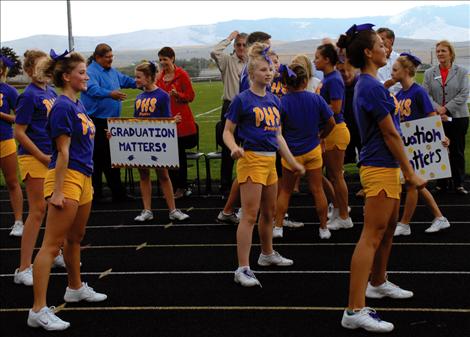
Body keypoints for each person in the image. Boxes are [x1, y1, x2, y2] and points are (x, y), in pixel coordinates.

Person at [336, 24, 426, 333]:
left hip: (385, 167)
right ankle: (354, 309)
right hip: (379, 167)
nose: (386, 48)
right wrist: (411, 173)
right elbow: (390, 133)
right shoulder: (372, 87)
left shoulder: (371, 83)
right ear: (368, 52)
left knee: (387, 230)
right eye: (380, 44)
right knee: (371, 236)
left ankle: (378, 282)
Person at [28, 49, 107, 331]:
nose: (86, 77)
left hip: (83, 177)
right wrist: (58, 191)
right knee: (51, 245)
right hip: (67, 178)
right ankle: (37, 309)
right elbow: (62, 152)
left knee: (76, 238)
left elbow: (81, 139)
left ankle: (75, 288)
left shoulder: (78, 103)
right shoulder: (62, 106)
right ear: (66, 76)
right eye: (82, 73)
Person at [223, 43, 305, 287]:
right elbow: (228, 131)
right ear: (251, 73)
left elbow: (278, 136)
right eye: (262, 69)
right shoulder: (242, 100)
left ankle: (267, 254)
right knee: (249, 215)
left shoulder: (274, 100)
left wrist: (292, 162)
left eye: (270, 69)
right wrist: (233, 147)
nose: (268, 73)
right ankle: (242, 268)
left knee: (270, 213)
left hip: (270, 162)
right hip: (251, 161)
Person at [13, 50, 62, 286]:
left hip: (52, 158)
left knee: (57, 207)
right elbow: (19, 132)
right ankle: (23, 267)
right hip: (35, 158)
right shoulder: (28, 96)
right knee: (37, 211)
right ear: (31, 70)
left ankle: (55, 253)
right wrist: (41, 155)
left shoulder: (51, 92)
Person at [273, 63, 335, 239]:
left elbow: (279, 131)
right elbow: (331, 122)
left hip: (291, 153)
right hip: (313, 151)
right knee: (317, 190)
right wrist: (322, 136)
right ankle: (323, 228)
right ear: (306, 80)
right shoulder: (316, 99)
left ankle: (278, 227)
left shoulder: (282, 102)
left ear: (286, 82)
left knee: (285, 191)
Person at [392, 53, 451, 235]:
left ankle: (404, 224)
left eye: (395, 69)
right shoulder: (399, 94)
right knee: (417, 184)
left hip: (418, 146)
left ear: (407, 71)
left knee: (412, 184)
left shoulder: (418, 92)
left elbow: (432, 118)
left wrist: (441, 137)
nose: (392, 73)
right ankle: (440, 218)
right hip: (406, 146)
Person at [131, 61, 189, 222]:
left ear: (149, 77)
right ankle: (147, 210)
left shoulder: (163, 96)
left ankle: (173, 209)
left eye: (138, 77)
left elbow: (166, 119)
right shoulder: (139, 98)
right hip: (142, 144)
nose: (136, 80)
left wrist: (173, 121)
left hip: (157, 144)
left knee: (163, 175)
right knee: (144, 175)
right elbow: (134, 122)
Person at [81, 43, 137, 202]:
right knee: (100, 159)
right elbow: (92, 89)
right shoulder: (90, 72)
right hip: (97, 122)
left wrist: (141, 83)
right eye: (108, 57)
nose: (111, 60)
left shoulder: (111, 71)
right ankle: (97, 194)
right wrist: (110, 94)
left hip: (111, 122)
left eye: (112, 57)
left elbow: (125, 80)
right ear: (98, 57)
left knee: (111, 158)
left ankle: (115, 192)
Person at [314, 43, 353, 231]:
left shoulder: (334, 79)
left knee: (337, 176)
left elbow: (336, 108)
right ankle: (338, 211)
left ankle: (345, 216)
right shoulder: (328, 78)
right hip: (330, 130)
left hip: (336, 130)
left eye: (317, 57)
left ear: (327, 59)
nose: (315, 61)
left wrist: (315, 109)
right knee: (331, 174)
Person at [423, 40, 469, 195]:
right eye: (438, 51)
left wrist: (446, 108)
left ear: (451, 53)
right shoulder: (430, 73)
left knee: (457, 149)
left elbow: (464, 94)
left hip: (458, 117)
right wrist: (437, 109)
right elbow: (426, 94)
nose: (440, 54)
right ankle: (441, 184)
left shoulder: (461, 72)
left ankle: (458, 183)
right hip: (436, 117)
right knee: (439, 149)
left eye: (443, 51)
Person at [156, 47, 197, 199]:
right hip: (166, 122)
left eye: (164, 59)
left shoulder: (182, 75)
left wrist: (177, 95)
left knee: (179, 154)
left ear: (172, 58)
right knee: (169, 156)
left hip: (182, 123)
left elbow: (191, 96)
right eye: (160, 60)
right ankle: (171, 186)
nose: (162, 63)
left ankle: (181, 186)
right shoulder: (159, 78)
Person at [210, 31, 248, 194]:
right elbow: (214, 52)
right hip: (230, 106)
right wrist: (229, 38)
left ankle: (247, 183)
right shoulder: (227, 61)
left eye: (244, 44)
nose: (241, 47)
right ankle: (225, 187)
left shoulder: (251, 63)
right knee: (228, 150)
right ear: (234, 46)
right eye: (238, 44)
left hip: (247, 109)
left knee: (248, 147)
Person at [0, 54, 24, 237]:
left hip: (5, 140)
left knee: (12, 182)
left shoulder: (9, 91)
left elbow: (20, 118)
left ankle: (18, 221)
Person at [376, 27, 402, 95]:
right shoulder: (374, 61)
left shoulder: (400, 59)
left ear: (391, 40)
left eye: (382, 39)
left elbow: (402, 81)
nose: (380, 42)